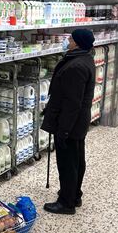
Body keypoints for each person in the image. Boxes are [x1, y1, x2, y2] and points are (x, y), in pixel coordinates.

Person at [41, 29, 95, 215]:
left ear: (77, 42)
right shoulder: (84, 58)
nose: (67, 40)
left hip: (70, 124)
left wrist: (63, 131)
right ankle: (74, 194)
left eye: (70, 38)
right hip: (78, 123)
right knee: (77, 159)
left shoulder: (76, 67)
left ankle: (66, 203)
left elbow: (72, 104)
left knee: (67, 163)